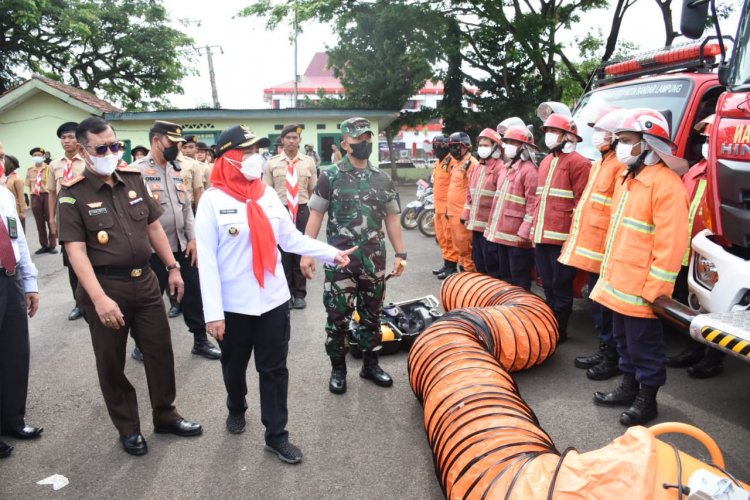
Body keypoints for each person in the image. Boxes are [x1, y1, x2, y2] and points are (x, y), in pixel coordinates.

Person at [196, 125, 355, 464]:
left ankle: (276, 435)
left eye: (258, 150)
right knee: (234, 366)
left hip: (272, 300)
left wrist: (330, 252)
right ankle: (236, 406)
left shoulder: (266, 194)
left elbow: (291, 239)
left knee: (274, 370)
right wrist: (213, 314)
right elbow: (206, 262)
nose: (257, 157)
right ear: (230, 156)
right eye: (249, 151)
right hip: (233, 306)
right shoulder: (212, 201)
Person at [57, 117, 203, 456]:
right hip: (107, 288)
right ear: (83, 150)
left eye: (115, 145)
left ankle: (166, 415)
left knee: (160, 353)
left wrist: (172, 267)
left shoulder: (134, 180)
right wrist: (98, 298)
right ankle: (128, 427)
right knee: (111, 362)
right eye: (102, 148)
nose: (111, 152)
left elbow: (154, 228)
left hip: (146, 282)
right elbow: (75, 251)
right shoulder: (73, 194)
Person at [591, 108, 689, 426]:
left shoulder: (666, 184)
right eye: (619, 140)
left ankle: (647, 400)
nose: (620, 146)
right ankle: (629, 387)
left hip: (642, 289)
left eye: (627, 140)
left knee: (644, 346)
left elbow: (671, 243)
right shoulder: (628, 178)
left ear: (648, 144)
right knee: (624, 341)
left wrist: (656, 292)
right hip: (619, 283)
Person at [301, 117, 406, 395]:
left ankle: (370, 365)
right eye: (359, 138)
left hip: (374, 261)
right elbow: (315, 215)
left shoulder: (382, 178)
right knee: (337, 317)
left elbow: (393, 218)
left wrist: (401, 253)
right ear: (345, 143)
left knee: (372, 316)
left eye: (368, 137)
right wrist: (307, 252)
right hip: (340, 262)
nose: (365, 142)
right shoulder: (331, 176)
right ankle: (338, 368)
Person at [130, 120, 221, 361]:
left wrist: (193, 239)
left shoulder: (178, 168)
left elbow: (187, 208)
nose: (177, 147)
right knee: (148, 299)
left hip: (182, 244)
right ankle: (141, 344)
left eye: (179, 143)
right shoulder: (134, 171)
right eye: (172, 142)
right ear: (156, 140)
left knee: (194, 293)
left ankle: (200, 339)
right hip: (151, 250)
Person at [559, 107, 626, 380]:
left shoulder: (620, 166)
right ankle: (604, 349)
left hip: (607, 252)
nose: (596, 134)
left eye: (601, 129)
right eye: (595, 129)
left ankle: (612, 357)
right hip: (592, 250)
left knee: (606, 307)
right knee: (596, 304)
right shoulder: (599, 164)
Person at [667, 114, 724, 378]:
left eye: (713, 139)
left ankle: (713, 358)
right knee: (692, 305)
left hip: (714, 254)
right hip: (686, 252)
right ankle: (693, 349)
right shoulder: (693, 171)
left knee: (715, 308)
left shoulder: (725, 173)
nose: (707, 144)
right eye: (705, 139)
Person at [531, 113, 591, 341]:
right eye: (547, 132)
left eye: (553, 131)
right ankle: (550, 327)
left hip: (562, 240)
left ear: (568, 136)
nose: (549, 136)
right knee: (547, 284)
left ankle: (560, 331)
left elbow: (581, 203)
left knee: (561, 286)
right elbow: (540, 200)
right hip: (542, 236)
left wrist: (574, 239)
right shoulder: (546, 162)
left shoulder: (579, 163)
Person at [0, 176, 42, 459]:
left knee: (15, 353)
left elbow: (18, 239)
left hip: (10, 277)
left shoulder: (3, 193)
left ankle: (12, 419)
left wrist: (29, 282)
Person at [263, 124, 318, 310]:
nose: (292, 141)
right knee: (283, 254)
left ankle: (300, 293)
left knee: (300, 251)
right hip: (280, 211)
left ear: (299, 140)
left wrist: (311, 214)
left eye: (295, 138)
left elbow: (313, 191)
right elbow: (266, 191)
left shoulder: (309, 162)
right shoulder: (272, 163)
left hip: (302, 210)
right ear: (282, 140)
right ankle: (285, 294)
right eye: (288, 138)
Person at [484, 125, 539, 289]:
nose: (507, 146)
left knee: (520, 281)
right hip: (501, 236)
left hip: (518, 240)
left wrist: (524, 233)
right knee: (506, 279)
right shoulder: (506, 169)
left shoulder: (530, 172)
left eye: (513, 143)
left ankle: (521, 311)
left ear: (524, 148)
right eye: (506, 142)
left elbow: (532, 205)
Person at [47, 121, 87, 321]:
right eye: (63, 138)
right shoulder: (54, 165)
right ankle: (79, 303)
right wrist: (52, 222)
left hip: (88, 218)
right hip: (66, 221)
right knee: (73, 266)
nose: (67, 141)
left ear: (79, 139)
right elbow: (52, 194)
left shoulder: (88, 161)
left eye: (71, 137)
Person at [463, 128, 503, 276]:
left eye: (486, 145)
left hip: (490, 228)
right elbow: (470, 194)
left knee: (492, 263)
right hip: (476, 226)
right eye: (480, 145)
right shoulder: (478, 167)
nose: (482, 148)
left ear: (495, 147)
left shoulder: (500, 168)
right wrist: (466, 214)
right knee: (479, 261)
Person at [446, 131, 477, 273]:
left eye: (456, 146)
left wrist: (467, 212)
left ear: (465, 146)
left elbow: (473, 192)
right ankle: (462, 274)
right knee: (457, 246)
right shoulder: (457, 164)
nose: (453, 149)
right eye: (451, 146)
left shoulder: (472, 164)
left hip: (462, 215)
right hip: (452, 213)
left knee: (466, 248)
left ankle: (470, 275)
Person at [430, 134, 459, 279]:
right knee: (441, 238)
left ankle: (451, 268)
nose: (435, 150)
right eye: (434, 146)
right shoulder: (438, 162)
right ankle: (446, 263)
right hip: (438, 207)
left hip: (448, 208)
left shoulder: (452, 162)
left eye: (438, 146)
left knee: (449, 239)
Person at [25, 147, 57, 255]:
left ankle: (52, 245)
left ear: (43, 156)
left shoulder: (49, 168)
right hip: (35, 196)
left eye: (38, 155)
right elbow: (29, 185)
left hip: (47, 195)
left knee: (50, 219)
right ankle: (44, 245)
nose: (36, 157)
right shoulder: (29, 170)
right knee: (39, 222)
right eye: (34, 156)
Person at [3, 155, 28, 231]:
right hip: (5, 210)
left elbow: (21, 197)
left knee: (16, 234)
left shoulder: (17, 179)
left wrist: (22, 212)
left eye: (3, 162)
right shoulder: (4, 178)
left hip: (15, 211)